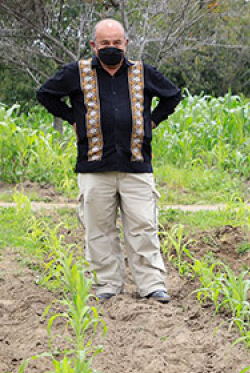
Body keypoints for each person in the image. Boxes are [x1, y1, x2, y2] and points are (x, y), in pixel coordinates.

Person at [37, 18, 182, 303]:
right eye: (105, 43)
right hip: (94, 165)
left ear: (126, 44)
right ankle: (107, 285)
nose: (111, 48)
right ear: (94, 45)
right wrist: (71, 118)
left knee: (143, 227)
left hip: (136, 163)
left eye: (117, 43)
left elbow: (173, 96)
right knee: (98, 230)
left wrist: (152, 121)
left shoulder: (142, 72)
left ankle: (151, 285)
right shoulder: (77, 73)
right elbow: (45, 94)